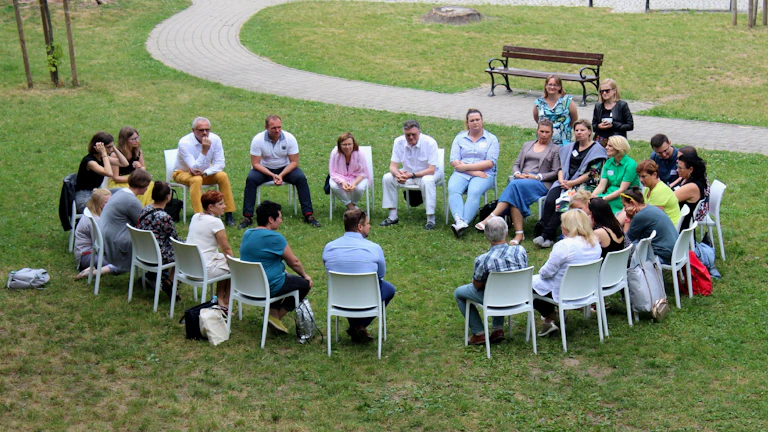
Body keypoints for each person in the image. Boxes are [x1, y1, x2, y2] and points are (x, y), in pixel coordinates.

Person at [475, 119, 561, 245]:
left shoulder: (556, 149)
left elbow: (555, 172)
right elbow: (516, 164)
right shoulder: (527, 145)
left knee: (514, 186)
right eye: (541, 131)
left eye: (547, 132)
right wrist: (517, 174)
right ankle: (519, 234)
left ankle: (491, 217)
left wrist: (537, 177)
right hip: (521, 180)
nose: (544, 134)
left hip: (540, 183)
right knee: (516, 192)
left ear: (552, 133)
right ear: (537, 131)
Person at [323, 209, 396, 343]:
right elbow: (380, 274)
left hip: (339, 299)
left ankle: (356, 326)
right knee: (389, 289)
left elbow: (328, 270)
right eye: (368, 223)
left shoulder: (329, 247)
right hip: (367, 299)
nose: (370, 226)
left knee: (350, 289)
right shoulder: (374, 248)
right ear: (359, 227)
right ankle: (357, 326)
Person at [240, 200, 313, 334]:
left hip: (247, 285)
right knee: (304, 284)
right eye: (279, 217)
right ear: (270, 219)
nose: (281, 221)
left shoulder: (248, 233)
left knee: (283, 277)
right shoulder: (275, 238)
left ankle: (273, 313)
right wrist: (305, 275)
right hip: (267, 286)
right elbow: (294, 262)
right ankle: (276, 317)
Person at [454, 216, 528, 345]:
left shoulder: (484, 259)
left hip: (495, 299)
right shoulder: (520, 251)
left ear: (486, 235)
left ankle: (479, 333)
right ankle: (498, 329)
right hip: (519, 297)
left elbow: (476, 285)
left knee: (459, 293)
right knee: (497, 288)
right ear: (506, 233)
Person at [534, 120, 607, 248]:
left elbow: (592, 173)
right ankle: (548, 234)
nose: (579, 133)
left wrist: (572, 183)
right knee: (550, 200)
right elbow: (561, 167)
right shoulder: (569, 148)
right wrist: (562, 180)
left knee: (564, 202)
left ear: (589, 132)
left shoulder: (597, 150)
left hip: (584, 185)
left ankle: (546, 234)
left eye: (582, 130)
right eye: (576, 130)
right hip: (564, 182)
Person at [240, 115, 321, 228]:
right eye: (273, 128)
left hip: (285, 168)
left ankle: (308, 214)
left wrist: (281, 175)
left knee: (301, 178)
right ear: (266, 127)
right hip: (264, 169)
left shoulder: (289, 138)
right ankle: (247, 217)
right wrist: (272, 175)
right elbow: (256, 163)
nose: (277, 130)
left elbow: (294, 162)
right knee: (251, 179)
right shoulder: (258, 140)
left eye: (279, 127)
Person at [532, 209, 602, 337]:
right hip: (586, 289)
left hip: (564, 291)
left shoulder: (564, 246)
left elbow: (546, 272)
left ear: (568, 226)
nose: (561, 226)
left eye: (563, 223)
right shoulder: (595, 243)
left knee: (528, 284)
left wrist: (541, 272)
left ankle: (552, 316)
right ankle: (550, 319)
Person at [173, 117, 236, 226]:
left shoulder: (215, 139)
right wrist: (204, 151)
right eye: (201, 130)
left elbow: (220, 164)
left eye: (207, 130)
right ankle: (199, 216)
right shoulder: (184, 143)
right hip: (183, 173)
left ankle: (228, 213)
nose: (205, 133)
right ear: (193, 130)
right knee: (196, 179)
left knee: (223, 176)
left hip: (205, 172)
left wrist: (206, 173)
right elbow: (193, 168)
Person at [447, 109, 500, 238]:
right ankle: (459, 221)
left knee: (474, 191)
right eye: (472, 120)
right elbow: (453, 160)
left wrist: (465, 167)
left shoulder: (491, 139)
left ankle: (463, 222)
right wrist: (473, 172)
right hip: (463, 173)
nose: (475, 122)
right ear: (467, 123)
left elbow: (490, 163)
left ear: (482, 121)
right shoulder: (460, 138)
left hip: (484, 174)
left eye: (477, 120)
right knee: (453, 189)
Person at [379, 120, 440, 230]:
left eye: (413, 134)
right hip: (407, 174)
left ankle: (430, 218)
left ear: (419, 132)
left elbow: (431, 170)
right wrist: (398, 174)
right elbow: (392, 166)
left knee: (427, 181)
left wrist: (411, 175)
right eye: (408, 135)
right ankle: (392, 216)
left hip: (427, 174)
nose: (411, 137)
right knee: (387, 178)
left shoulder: (430, 142)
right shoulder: (398, 142)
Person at [186, 190, 233, 309]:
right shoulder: (216, 222)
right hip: (203, 269)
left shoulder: (196, 216)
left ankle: (220, 299)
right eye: (221, 204)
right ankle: (223, 301)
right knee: (233, 267)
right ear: (211, 207)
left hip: (188, 267)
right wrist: (234, 265)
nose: (224, 206)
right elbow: (226, 249)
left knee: (225, 261)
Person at [99, 170, 152, 275]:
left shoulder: (121, 192)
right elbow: (143, 225)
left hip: (105, 235)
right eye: (147, 185)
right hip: (116, 240)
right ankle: (154, 274)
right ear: (142, 185)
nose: (147, 188)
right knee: (153, 242)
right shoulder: (132, 201)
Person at [137, 181, 181, 300]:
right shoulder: (164, 217)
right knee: (184, 253)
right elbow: (175, 240)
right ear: (168, 197)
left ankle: (158, 278)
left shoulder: (146, 209)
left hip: (142, 252)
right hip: (157, 256)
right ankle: (170, 282)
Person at [621, 187, 678, 264]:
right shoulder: (650, 207)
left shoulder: (640, 216)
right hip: (675, 250)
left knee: (627, 251)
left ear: (632, 203)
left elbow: (626, 242)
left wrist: (628, 219)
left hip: (663, 255)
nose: (624, 210)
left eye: (625, 206)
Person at [74, 132, 128, 213]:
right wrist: (104, 154)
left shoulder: (103, 158)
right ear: (98, 148)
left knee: (124, 192)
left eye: (112, 146)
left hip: (96, 193)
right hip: (85, 198)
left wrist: (114, 149)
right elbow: (108, 173)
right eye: (108, 147)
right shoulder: (90, 161)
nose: (111, 150)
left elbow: (124, 163)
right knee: (111, 207)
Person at [591, 135, 639, 213]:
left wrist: (603, 199)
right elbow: (601, 186)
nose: (606, 147)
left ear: (618, 148)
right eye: (607, 145)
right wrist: (592, 196)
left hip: (625, 196)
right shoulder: (608, 163)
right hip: (610, 193)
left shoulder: (630, 165)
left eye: (610, 146)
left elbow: (622, 189)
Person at [74, 189, 115, 280]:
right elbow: (101, 245)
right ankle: (95, 272)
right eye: (107, 202)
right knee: (124, 264)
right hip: (87, 256)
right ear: (98, 203)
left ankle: (93, 269)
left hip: (91, 252)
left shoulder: (92, 211)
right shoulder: (95, 220)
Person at [109, 127, 155, 206]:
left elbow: (143, 167)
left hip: (135, 178)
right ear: (125, 141)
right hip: (122, 182)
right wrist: (134, 179)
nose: (137, 141)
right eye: (133, 139)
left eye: (137, 137)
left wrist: (139, 168)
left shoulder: (138, 151)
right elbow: (116, 178)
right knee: (137, 188)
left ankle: (147, 208)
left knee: (150, 184)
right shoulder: (116, 154)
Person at [328, 132, 371, 212]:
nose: (347, 147)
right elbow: (332, 172)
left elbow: (363, 172)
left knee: (359, 188)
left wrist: (354, 183)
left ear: (353, 144)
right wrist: (342, 182)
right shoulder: (335, 153)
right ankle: (351, 207)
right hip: (339, 177)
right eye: (344, 144)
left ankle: (353, 205)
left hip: (357, 177)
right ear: (340, 145)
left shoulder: (360, 153)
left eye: (349, 144)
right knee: (334, 186)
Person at [533, 75, 579, 146]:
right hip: (544, 140)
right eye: (550, 84)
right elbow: (537, 119)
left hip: (563, 141)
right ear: (545, 86)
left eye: (555, 85)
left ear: (560, 87)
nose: (552, 87)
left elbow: (574, 119)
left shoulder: (567, 101)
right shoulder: (539, 102)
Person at [632, 160, 680, 226]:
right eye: (639, 176)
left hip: (667, 228)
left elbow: (652, 217)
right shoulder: (648, 188)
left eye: (643, 176)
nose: (640, 180)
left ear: (654, 175)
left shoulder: (659, 191)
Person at [591, 78, 634, 146]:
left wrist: (613, 125)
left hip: (617, 141)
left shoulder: (622, 105)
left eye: (607, 91)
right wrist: (599, 126)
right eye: (602, 91)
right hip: (600, 140)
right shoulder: (598, 106)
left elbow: (630, 126)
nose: (604, 93)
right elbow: (593, 125)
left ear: (614, 91)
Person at [674, 153, 709, 229]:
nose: (677, 170)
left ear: (690, 169)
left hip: (680, 225)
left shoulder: (692, 187)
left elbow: (667, 200)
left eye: (680, 168)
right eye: (677, 167)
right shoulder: (690, 178)